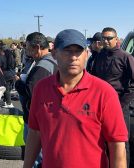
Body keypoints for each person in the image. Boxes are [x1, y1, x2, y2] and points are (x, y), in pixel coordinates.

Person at [24, 29, 128, 168]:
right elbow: (35, 133)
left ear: (86, 54)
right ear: (54, 53)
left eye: (78, 51)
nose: (74, 57)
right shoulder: (41, 89)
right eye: (67, 50)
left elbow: (117, 145)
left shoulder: (104, 92)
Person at [93, 27, 134, 167]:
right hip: (99, 105)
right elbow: (93, 79)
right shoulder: (99, 56)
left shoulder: (125, 57)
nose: (106, 41)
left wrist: (122, 102)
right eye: (103, 38)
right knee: (102, 139)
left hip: (120, 105)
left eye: (109, 38)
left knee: (121, 142)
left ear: (116, 39)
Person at [15, 32, 57, 141]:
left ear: (37, 47)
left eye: (28, 49)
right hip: (47, 116)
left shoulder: (43, 66)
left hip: (38, 119)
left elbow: (31, 91)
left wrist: (18, 82)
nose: (28, 53)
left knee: (36, 154)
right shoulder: (52, 60)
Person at [0, 42, 15, 108]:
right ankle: (7, 102)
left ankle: (8, 103)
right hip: (11, 73)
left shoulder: (1, 56)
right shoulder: (10, 55)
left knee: (5, 89)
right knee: (7, 88)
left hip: (5, 74)